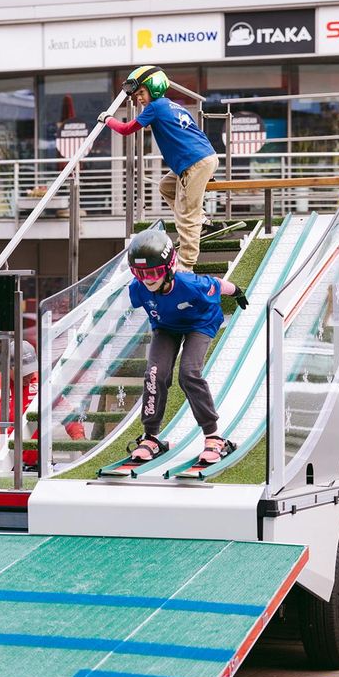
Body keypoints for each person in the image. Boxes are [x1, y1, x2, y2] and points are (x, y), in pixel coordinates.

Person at [126, 228, 248, 466]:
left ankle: (213, 437)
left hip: (200, 324)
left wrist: (237, 292)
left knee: (189, 374)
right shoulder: (137, 288)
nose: (148, 279)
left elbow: (216, 284)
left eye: (153, 272)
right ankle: (150, 437)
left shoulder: (190, 285)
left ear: (170, 268)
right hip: (165, 326)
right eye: (140, 273)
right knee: (154, 374)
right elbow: (147, 295)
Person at [98, 65, 220, 272]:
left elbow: (127, 129)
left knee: (186, 218)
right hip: (203, 158)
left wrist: (107, 119)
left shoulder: (154, 108)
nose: (139, 99)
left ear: (154, 89)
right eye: (136, 96)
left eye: (142, 93)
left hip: (194, 163)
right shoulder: (173, 106)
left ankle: (186, 266)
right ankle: (200, 219)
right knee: (166, 186)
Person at [0, 339, 85, 471]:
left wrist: (80, 440)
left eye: (31, 370)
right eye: (23, 372)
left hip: (41, 465)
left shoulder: (44, 384)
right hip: (5, 467)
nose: (29, 376)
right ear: (8, 367)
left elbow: (67, 416)